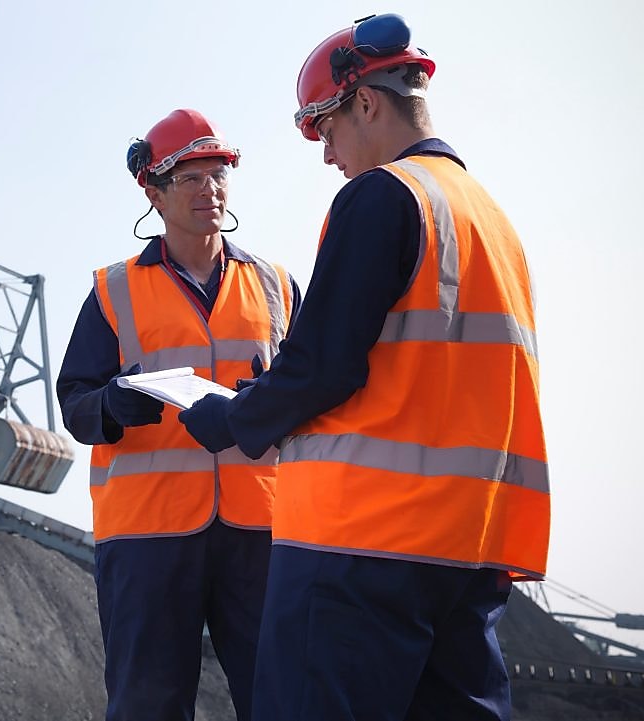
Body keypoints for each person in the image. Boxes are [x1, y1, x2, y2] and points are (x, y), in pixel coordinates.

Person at [176, 14, 551, 720]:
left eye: (324, 129)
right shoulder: (494, 223)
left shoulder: (385, 195)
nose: (326, 156)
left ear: (366, 103)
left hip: (359, 548)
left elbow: (323, 365)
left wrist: (233, 417)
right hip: (469, 551)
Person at [57, 108, 299, 721]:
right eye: (189, 178)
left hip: (263, 527)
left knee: (284, 698)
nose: (209, 190)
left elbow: (315, 389)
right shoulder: (113, 291)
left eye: (217, 174)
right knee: (148, 706)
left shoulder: (277, 284)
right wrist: (114, 402)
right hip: (148, 536)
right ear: (153, 192)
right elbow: (76, 405)